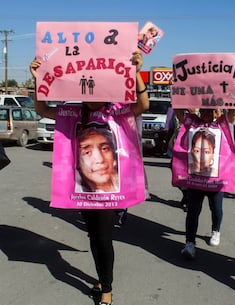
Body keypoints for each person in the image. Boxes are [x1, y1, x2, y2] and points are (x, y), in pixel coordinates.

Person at [30, 49, 149, 305]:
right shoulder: (72, 112)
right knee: (95, 237)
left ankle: (106, 288)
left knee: (104, 238)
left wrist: (136, 73)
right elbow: (41, 109)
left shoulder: (117, 111)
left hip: (110, 193)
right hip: (83, 192)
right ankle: (102, 276)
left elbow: (144, 105)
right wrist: (38, 78)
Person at [175, 107, 235, 259]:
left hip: (215, 180)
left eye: (210, 111)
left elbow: (233, 113)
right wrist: (175, 91)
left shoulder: (222, 123)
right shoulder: (193, 122)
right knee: (192, 211)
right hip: (195, 179)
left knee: (216, 208)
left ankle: (216, 230)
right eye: (204, 111)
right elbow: (178, 113)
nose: (207, 114)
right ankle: (190, 242)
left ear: (216, 112)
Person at [76, 124, 119, 193]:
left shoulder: (125, 184)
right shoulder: (75, 191)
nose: (100, 160)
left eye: (104, 149)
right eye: (87, 152)